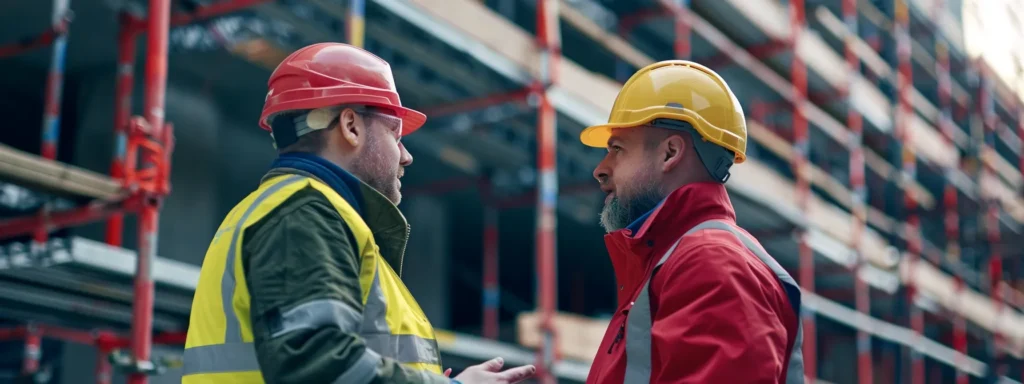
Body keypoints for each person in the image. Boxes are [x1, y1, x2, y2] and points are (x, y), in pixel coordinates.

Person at [183, 42, 535, 384]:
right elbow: (321, 366)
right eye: (394, 134)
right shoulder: (306, 214)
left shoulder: (301, 213)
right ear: (350, 127)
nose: (406, 155)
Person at [579, 60, 805, 384]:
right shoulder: (675, 263)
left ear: (670, 153)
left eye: (618, 149)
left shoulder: (713, 266)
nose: (600, 169)